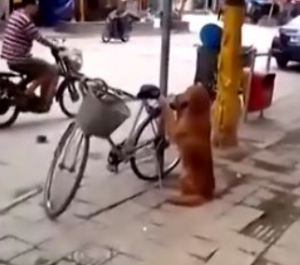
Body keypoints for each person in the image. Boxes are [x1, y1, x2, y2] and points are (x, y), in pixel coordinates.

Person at [1, 0, 60, 112]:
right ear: (29, 5)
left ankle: (31, 96)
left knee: (41, 68)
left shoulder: (16, 14)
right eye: (36, 5)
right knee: (51, 69)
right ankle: (29, 95)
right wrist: (55, 47)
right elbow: (38, 38)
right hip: (19, 59)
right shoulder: (25, 20)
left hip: (11, 58)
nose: (37, 8)